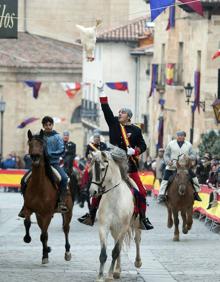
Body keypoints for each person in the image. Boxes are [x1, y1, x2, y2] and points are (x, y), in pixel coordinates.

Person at [78, 82, 153, 230]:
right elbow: (106, 109)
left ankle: (143, 218)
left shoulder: (136, 130)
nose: (119, 114)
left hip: (130, 167)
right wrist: (101, 92)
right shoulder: (113, 123)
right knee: (99, 186)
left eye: (122, 113)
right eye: (119, 112)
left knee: (142, 192)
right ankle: (91, 215)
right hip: (113, 163)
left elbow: (144, 146)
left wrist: (135, 151)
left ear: (129, 117)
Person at [18, 116, 68, 217]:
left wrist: (50, 154)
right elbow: (33, 144)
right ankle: (25, 204)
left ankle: (61, 202)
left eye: (50, 124)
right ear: (43, 126)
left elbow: (62, 150)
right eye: (46, 125)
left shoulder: (57, 137)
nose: (48, 127)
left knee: (64, 178)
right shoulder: (39, 136)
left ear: (52, 125)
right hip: (39, 164)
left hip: (53, 163)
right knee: (23, 180)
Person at [157, 131, 202, 203]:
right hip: (172, 167)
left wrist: (188, 157)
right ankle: (161, 195)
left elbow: (194, 156)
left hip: (184, 168)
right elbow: (166, 155)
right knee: (165, 180)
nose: (179, 137)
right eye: (178, 135)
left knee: (194, 178)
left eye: (181, 135)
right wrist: (168, 161)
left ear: (184, 136)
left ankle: (196, 193)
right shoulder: (171, 144)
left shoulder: (189, 145)